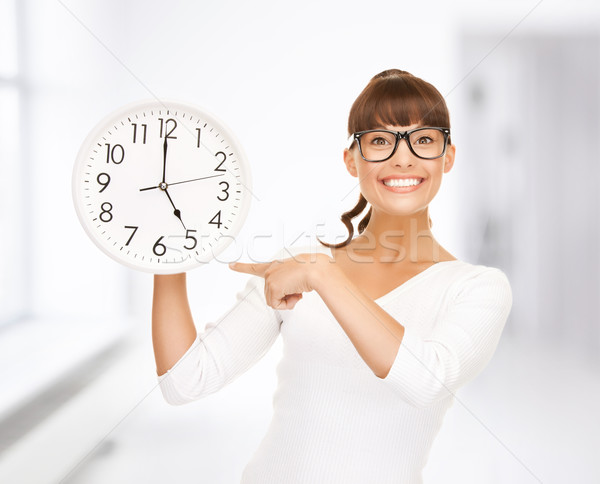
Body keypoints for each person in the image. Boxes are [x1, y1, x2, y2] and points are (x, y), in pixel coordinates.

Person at [152, 69, 513, 484]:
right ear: (351, 159)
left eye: (424, 139)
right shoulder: (301, 265)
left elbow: (425, 380)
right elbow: (184, 382)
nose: (403, 157)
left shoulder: (477, 289)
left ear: (447, 157)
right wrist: (165, 253)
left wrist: (325, 276)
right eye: (380, 141)